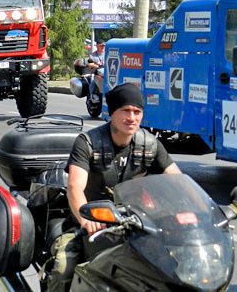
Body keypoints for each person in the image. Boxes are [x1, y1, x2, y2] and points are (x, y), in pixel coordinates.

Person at [48, 83, 182, 292]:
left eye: (137, 112)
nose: (132, 117)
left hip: (135, 226)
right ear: (112, 113)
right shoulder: (88, 143)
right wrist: (86, 220)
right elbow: (75, 187)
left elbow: (177, 182)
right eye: (125, 111)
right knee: (63, 269)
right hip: (92, 225)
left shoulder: (149, 144)